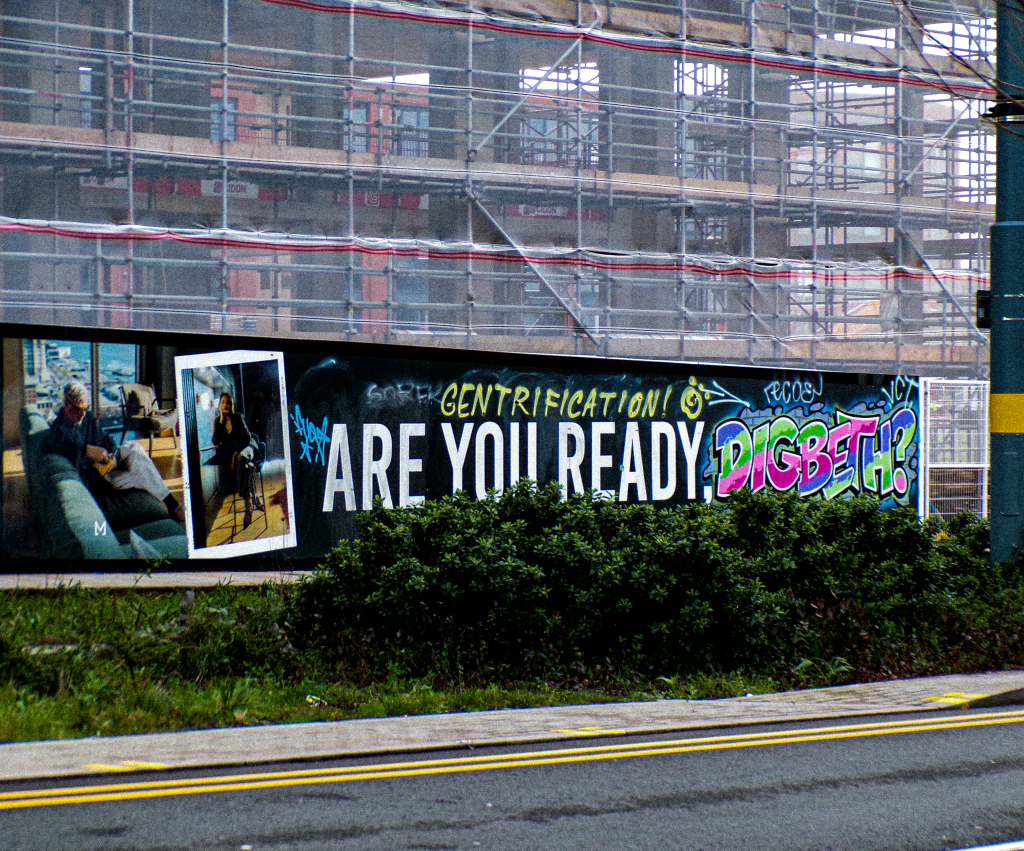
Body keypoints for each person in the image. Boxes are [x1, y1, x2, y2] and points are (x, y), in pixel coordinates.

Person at [47, 382, 185, 523]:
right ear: (67, 405)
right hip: (99, 477)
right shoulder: (58, 431)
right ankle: (171, 504)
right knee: (140, 472)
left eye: (85, 408)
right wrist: (87, 450)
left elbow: (105, 437)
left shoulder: (87, 417)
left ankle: (168, 502)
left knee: (136, 449)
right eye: (78, 409)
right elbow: (60, 446)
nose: (83, 414)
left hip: (107, 463)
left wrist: (112, 453)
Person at [211, 391, 264, 529]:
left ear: (232, 404)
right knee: (245, 467)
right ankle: (255, 500)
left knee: (240, 458)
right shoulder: (218, 421)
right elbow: (215, 440)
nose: (226, 405)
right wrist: (220, 422)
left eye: (228, 402)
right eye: (223, 402)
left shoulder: (238, 417)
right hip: (240, 458)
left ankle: (248, 505)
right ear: (220, 404)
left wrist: (235, 454)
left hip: (248, 448)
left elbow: (247, 438)